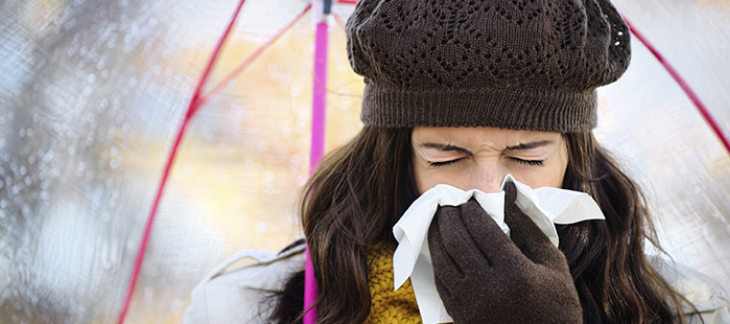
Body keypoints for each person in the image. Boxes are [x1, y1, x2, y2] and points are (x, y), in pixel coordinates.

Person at [184, 0, 730, 323]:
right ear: (395, 157)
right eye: (447, 155)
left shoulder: (688, 309)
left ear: (574, 153)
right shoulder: (245, 307)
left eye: (527, 155)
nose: (489, 190)